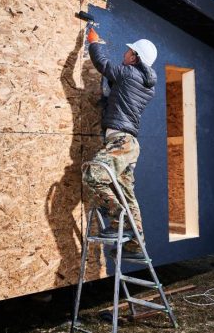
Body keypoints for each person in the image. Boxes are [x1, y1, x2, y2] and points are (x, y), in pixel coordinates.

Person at [82, 26, 157, 259]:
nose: (125, 54)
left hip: (121, 141)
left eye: (128, 51)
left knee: (92, 174)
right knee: (126, 192)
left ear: (134, 58)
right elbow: (120, 94)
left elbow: (103, 65)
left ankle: (119, 222)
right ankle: (136, 244)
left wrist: (94, 43)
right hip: (129, 143)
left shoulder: (128, 73)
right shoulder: (144, 82)